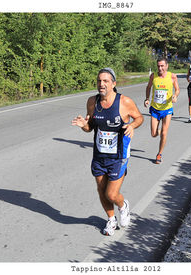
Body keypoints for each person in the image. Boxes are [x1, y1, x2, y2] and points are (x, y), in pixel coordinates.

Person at [72, 68, 143, 236]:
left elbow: (139, 117)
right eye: (99, 81)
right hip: (99, 155)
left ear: (114, 84)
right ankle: (111, 219)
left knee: (111, 193)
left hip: (119, 156)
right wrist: (84, 125)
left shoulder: (124, 102)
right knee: (101, 189)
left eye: (105, 81)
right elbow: (90, 128)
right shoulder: (92, 102)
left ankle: (123, 205)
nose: (101, 84)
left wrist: (132, 126)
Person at [144, 58, 180, 164]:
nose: (160, 68)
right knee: (154, 134)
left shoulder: (172, 76)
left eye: (162, 66)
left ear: (167, 66)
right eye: (158, 66)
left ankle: (159, 154)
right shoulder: (153, 76)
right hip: (155, 108)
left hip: (167, 109)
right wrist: (147, 99)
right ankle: (158, 131)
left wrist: (175, 95)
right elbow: (148, 87)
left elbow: (177, 89)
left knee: (164, 133)